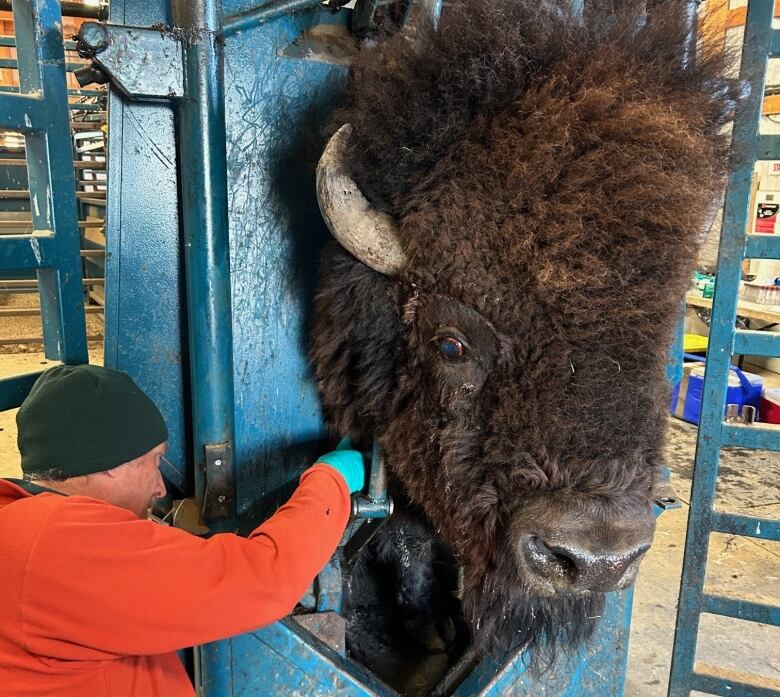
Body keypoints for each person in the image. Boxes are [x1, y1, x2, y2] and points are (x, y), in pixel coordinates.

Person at [0, 364, 364, 697]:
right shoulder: (57, 545)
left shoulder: (20, 524)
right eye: (155, 462)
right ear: (111, 465)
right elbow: (264, 579)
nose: (160, 488)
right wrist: (330, 481)